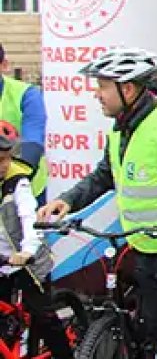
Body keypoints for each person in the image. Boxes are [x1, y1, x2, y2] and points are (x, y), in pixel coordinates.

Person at [38, 48, 157, 359]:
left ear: (127, 88)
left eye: (102, 87)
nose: (97, 95)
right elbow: (104, 176)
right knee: (155, 338)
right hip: (144, 249)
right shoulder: (122, 131)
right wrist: (67, 200)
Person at [0, 134, 71, 359]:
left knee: (43, 316)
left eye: (5, 159)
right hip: (2, 262)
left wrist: (28, 251)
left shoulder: (17, 183)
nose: (2, 166)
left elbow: (28, 217)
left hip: (27, 262)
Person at [0, 42, 49, 199]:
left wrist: (14, 179)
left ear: (4, 65)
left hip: (25, 186)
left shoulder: (27, 95)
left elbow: (33, 143)